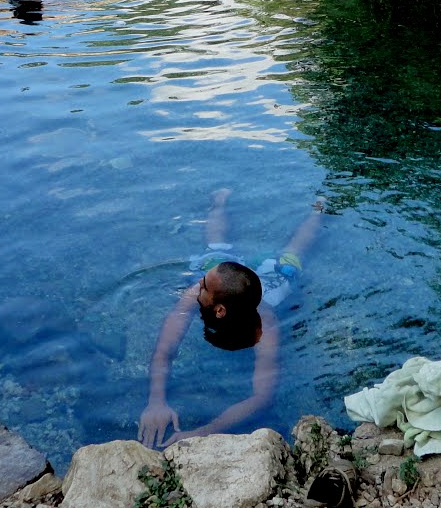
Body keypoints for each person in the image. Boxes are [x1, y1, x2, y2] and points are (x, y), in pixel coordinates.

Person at [138, 189, 323, 448]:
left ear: (219, 310)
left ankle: (318, 211)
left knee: (294, 255)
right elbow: (163, 351)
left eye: (203, 286)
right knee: (216, 247)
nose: (195, 287)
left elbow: (262, 396)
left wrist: (204, 432)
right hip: (234, 282)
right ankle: (219, 200)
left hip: (271, 283)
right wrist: (156, 401)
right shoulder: (200, 291)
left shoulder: (265, 326)